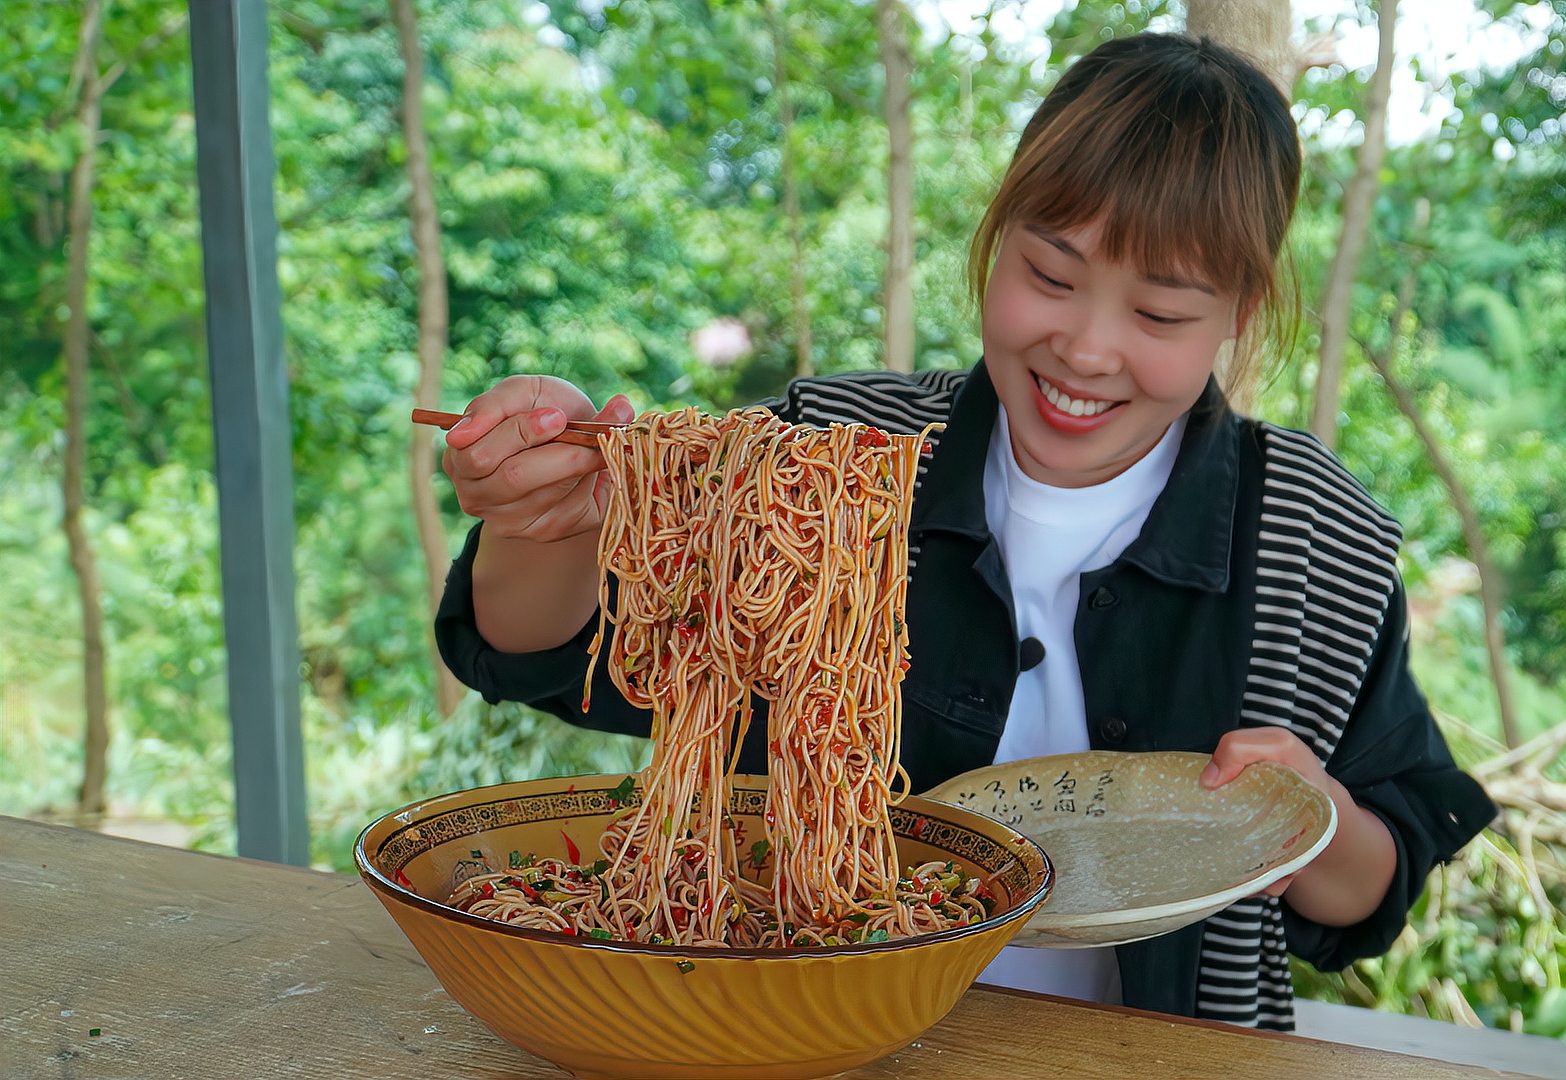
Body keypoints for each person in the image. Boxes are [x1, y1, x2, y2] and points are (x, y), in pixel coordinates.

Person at [432, 32, 1496, 1032]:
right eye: (1050, 275)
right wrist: (551, 516)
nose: (1085, 348)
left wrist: (1309, 820)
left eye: (1161, 315)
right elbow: (544, 654)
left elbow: (1376, 880)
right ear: (994, 242)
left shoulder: (1311, 533)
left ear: (1242, 315)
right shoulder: (822, 455)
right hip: (807, 1032)